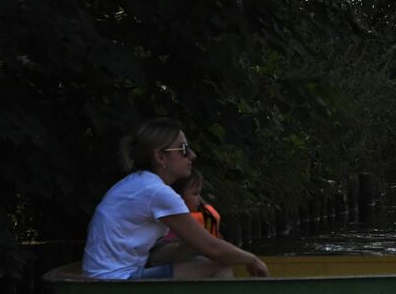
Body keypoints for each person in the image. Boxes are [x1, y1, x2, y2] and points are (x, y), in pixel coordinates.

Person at [82, 118, 269, 279]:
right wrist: (251, 258)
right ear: (161, 157)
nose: (192, 155)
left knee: (196, 253)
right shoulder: (156, 192)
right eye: (184, 149)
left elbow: (198, 246)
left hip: (108, 275)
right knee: (219, 266)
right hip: (115, 280)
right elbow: (214, 248)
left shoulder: (138, 183)